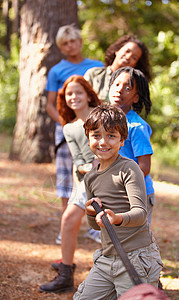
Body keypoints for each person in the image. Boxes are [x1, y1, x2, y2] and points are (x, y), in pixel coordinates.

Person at [73, 104, 163, 300]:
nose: (103, 142)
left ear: (122, 140)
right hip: (108, 258)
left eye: (111, 136)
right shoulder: (90, 178)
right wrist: (90, 212)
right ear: (88, 138)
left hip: (136, 258)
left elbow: (140, 214)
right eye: (96, 135)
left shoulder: (129, 168)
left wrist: (118, 218)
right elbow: (95, 226)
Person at [39, 75, 101, 294]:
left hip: (109, 177)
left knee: (110, 226)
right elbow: (79, 162)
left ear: (88, 94)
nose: (74, 97)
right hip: (85, 180)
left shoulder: (100, 116)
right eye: (69, 94)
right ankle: (66, 273)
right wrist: (79, 188)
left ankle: (134, 272)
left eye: (78, 92)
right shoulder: (69, 128)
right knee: (68, 219)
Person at [46, 24, 103, 244]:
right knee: (66, 179)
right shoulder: (57, 71)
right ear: (61, 47)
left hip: (94, 128)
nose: (70, 46)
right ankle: (67, 224)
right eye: (65, 43)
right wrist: (67, 124)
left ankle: (95, 226)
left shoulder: (97, 67)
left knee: (95, 173)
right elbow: (51, 104)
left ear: (80, 42)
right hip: (65, 130)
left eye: (73, 41)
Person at [108, 66, 155, 225]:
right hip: (115, 193)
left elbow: (144, 167)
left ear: (136, 98)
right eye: (116, 84)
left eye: (127, 88)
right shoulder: (105, 122)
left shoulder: (136, 127)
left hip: (137, 195)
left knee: (136, 242)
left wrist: (121, 183)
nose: (120, 90)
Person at [84, 34, 152, 102]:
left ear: (135, 64)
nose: (128, 57)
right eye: (127, 51)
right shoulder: (94, 74)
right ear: (117, 50)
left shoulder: (133, 85)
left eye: (134, 57)